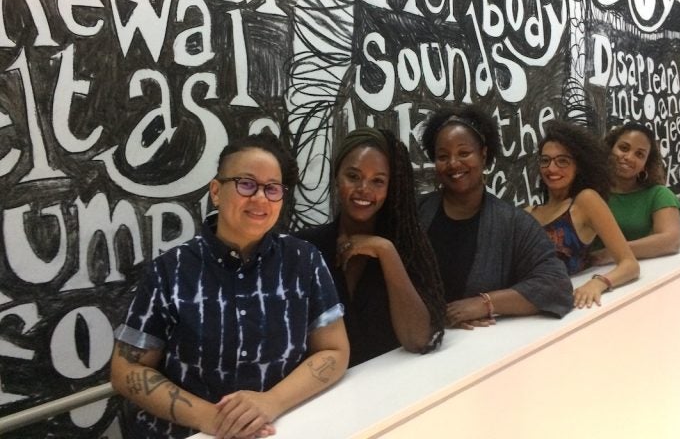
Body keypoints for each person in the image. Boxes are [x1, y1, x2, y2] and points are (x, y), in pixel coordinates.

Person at [110, 133, 349, 439]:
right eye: (246, 184)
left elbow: (334, 350)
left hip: (279, 428)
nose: (260, 198)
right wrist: (211, 419)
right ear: (216, 191)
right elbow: (126, 370)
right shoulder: (171, 271)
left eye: (272, 188)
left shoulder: (304, 261)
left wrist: (271, 402)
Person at [295, 127, 445, 366]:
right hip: (324, 386)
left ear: (391, 187)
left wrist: (385, 251)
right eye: (353, 176)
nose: (364, 189)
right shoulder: (306, 248)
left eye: (378, 181)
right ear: (336, 177)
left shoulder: (406, 247)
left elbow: (418, 340)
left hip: (393, 383)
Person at [419, 105, 573, 329]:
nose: (453, 163)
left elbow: (556, 285)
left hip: (483, 345)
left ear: (483, 154)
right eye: (443, 156)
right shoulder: (416, 214)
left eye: (464, 153)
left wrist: (485, 303)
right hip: (411, 345)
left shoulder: (513, 222)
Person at [527, 121, 639, 308]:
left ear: (578, 165)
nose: (552, 168)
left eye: (562, 161)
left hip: (574, 309)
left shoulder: (586, 201)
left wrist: (598, 283)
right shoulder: (528, 213)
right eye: (545, 160)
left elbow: (630, 265)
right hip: (529, 309)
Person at [590, 122, 680, 264]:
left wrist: (609, 253)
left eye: (639, 154)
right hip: (586, 274)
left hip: (644, 273)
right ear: (609, 149)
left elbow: (671, 241)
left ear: (645, 165)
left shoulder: (658, 194)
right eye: (624, 148)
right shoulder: (589, 193)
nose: (629, 157)